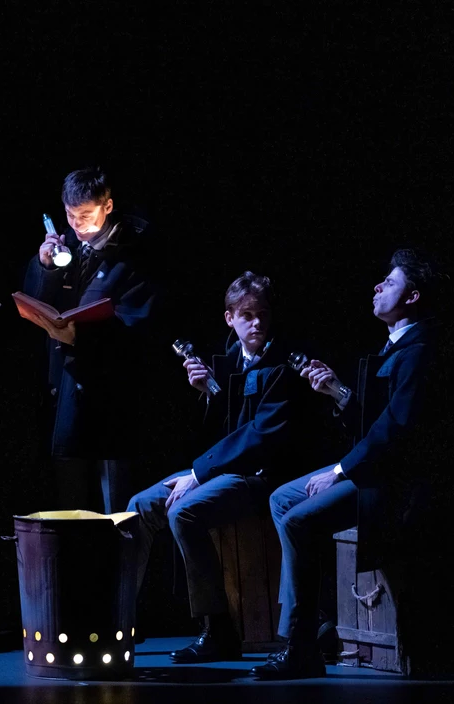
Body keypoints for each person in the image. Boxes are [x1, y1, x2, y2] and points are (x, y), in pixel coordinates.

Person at [253, 249, 446, 680]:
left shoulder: (420, 349)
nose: (377, 286)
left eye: (389, 282)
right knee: (282, 498)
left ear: (412, 296)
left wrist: (340, 471)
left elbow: (397, 429)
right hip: (374, 469)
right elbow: (372, 422)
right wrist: (337, 392)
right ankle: (316, 625)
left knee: (299, 520)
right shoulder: (394, 346)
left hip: (395, 482)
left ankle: (300, 644)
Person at [125, 271, 325, 662]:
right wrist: (205, 396)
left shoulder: (285, 362)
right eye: (247, 315)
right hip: (222, 471)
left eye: (263, 313)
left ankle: (216, 628)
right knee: (139, 506)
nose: (257, 323)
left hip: (264, 477)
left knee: (184, 512)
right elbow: (210, 436)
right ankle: (119, 620)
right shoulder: (228, 360)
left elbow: (261, 437)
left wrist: (198, 475)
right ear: (229, 318)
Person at [23, 166, 158, 512]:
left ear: (107, 206)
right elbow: (37, 300)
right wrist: (44, 266)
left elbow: (137, 329)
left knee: (116, 509)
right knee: (70, 506)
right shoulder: (67, 245)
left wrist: (79, 337)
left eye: (85, 215)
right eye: (70, 215)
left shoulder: (134, 254)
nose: (76, 224)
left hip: (111, 401)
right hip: (65, 392)